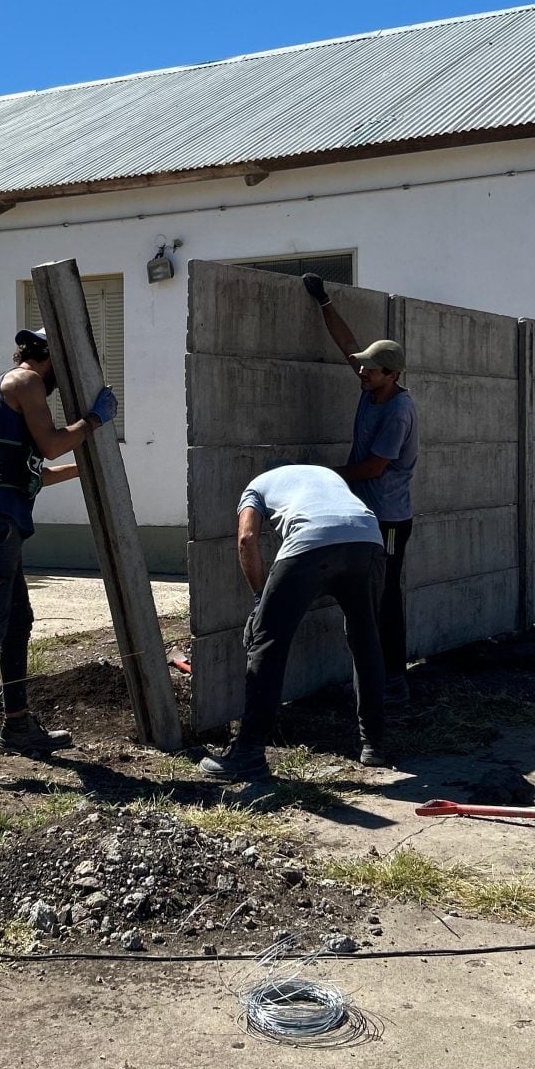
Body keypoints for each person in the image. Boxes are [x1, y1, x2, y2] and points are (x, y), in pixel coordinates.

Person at [0, 328, 117, 790]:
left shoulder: (7, 390)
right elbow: (50, 444)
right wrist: (93, 421)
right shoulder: (25, 382)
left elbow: (32, 470)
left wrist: (84, 469)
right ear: (50, 358)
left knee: (18, 621)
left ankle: (18, 725)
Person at [199, 463, 386, 795]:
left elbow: (246, 539)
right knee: (365, 639)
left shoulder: (254, 488)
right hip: (368, 537)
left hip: (311, 541)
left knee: (267, 642)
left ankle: (249, 754)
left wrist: (260, 600)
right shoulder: (328, 477)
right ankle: (373, 745)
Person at [301, 273, 418, 704]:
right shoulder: (373, 386)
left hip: (388, 521)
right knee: (367, 594)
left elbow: (373, 467)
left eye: (370, 368)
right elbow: (345, 342)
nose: (362, 371)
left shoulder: (398, 412)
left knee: (385, 596)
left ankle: (393, 681)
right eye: (363, 366)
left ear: (392, 375)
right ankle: (377, 678)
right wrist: (324, 302)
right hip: (366, 515)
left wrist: (321, 475)